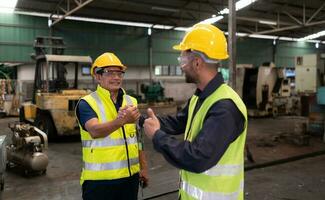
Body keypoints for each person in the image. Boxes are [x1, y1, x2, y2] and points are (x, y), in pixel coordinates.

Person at [143, 23, 247, 200]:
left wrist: (157, 136)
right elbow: (179, 122)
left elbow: (196, 157)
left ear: (197, 63)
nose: (182, 66)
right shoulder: (201, 96)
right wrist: (140, 119)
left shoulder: (225, 107)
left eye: (183, 60)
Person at [75, 52, 148, 200]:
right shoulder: (87, 103)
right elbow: (94, 131)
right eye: (110, 73)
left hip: (130, 178)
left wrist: (143, 166)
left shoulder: (131, 101)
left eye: (120, 73)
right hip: (99, 182)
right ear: (97, 76)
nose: (116, 77)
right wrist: (120, 121)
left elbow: (137, 138)